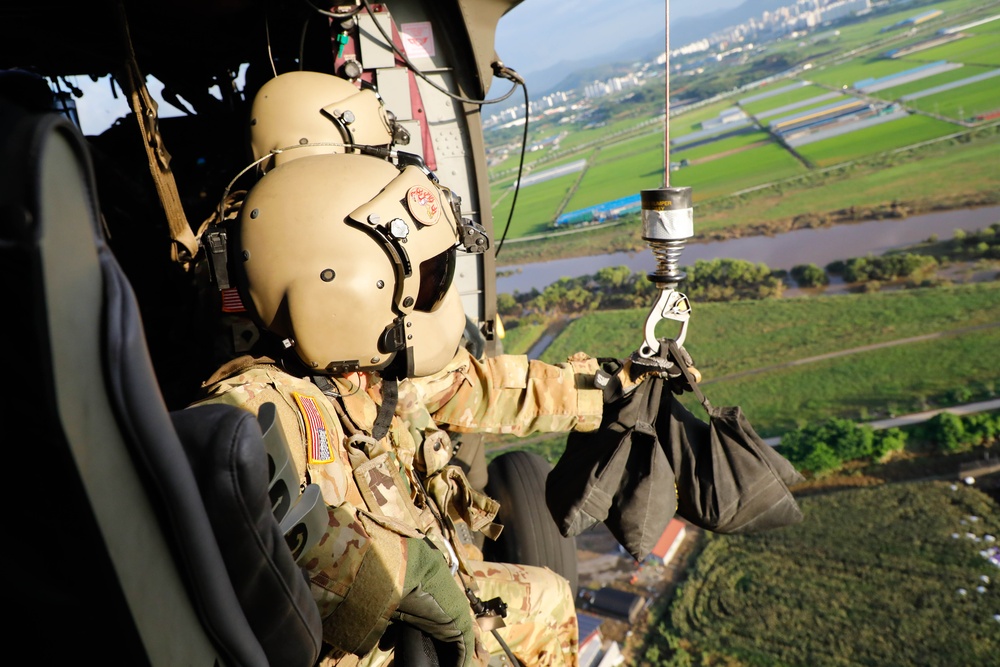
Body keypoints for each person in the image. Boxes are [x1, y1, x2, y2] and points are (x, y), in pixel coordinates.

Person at [190, 71, 632, 667]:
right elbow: (230, 492)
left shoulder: (361, 376)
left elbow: (472, 387)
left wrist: (605, 393)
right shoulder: (255, 409)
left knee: (547, 596)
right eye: (417, 282)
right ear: (343, 285)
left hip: (442, 596)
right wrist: (395, 578)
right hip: (381, 645)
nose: (426, 300)